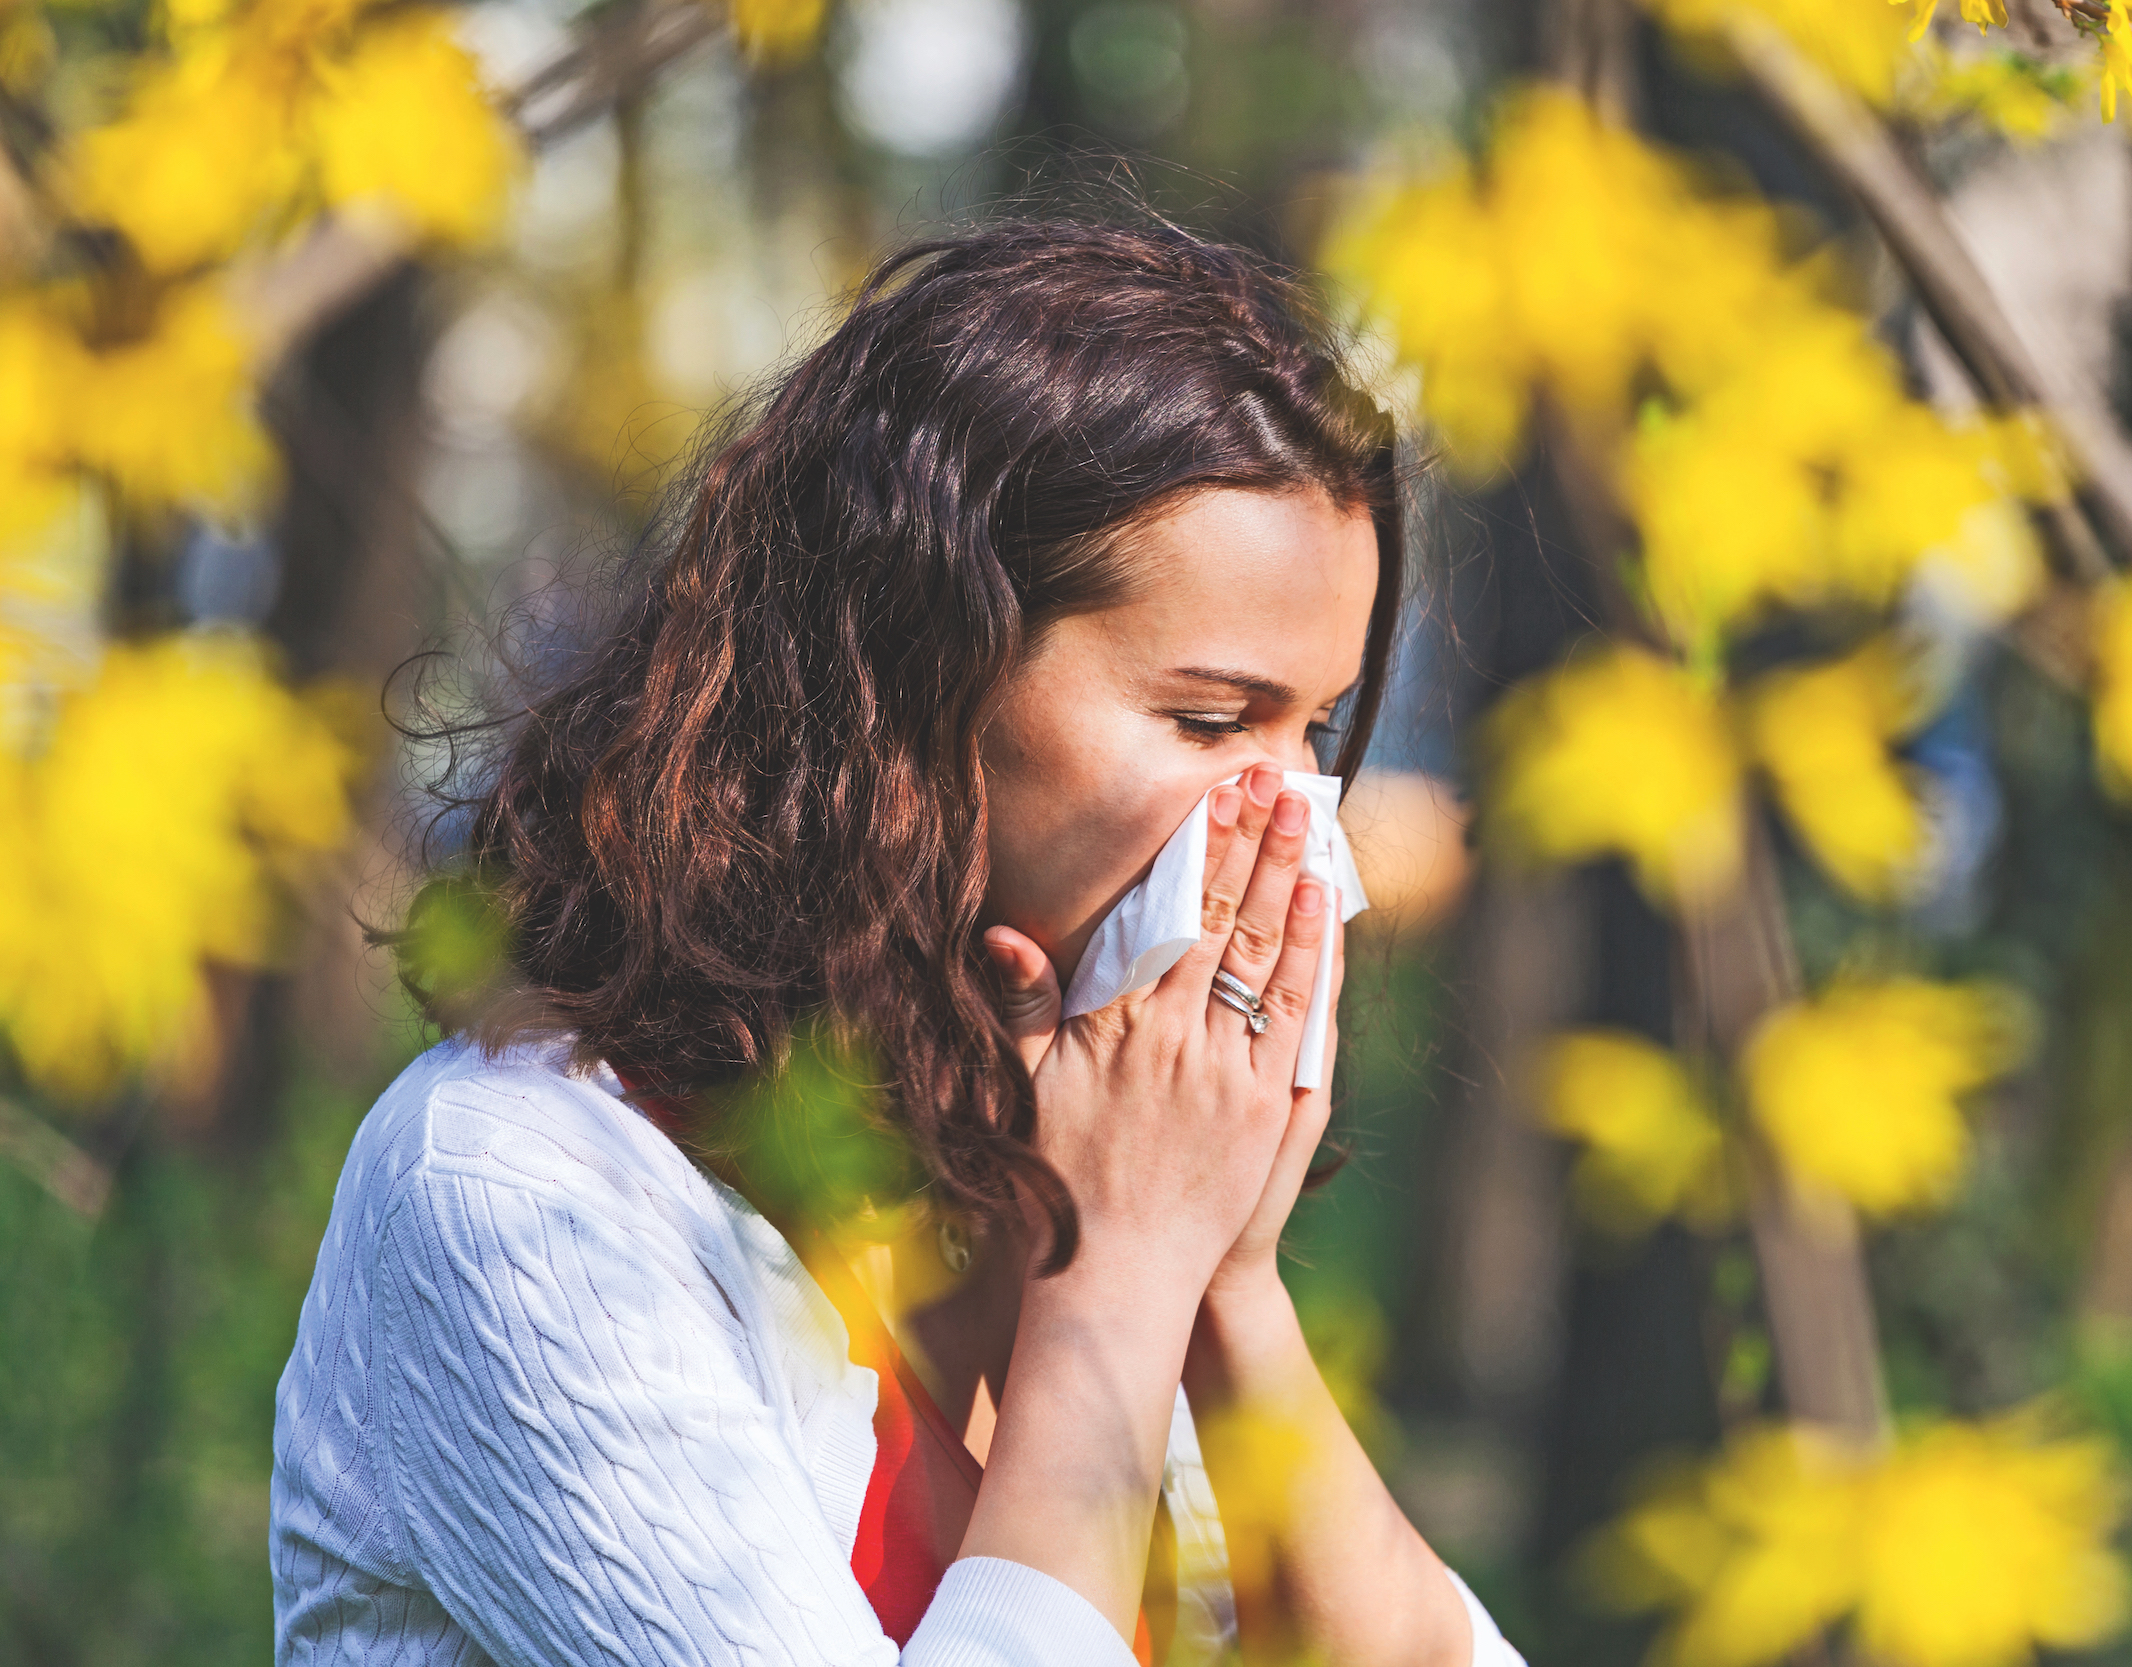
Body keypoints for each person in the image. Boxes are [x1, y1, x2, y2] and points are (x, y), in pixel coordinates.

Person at [270, 216, 1527, 1667]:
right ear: (915, 683)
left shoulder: (1039, 1169)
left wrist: (1223, 1281)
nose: (1289, 817)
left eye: (1316, 730)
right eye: (1208, 720)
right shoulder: (520, 1194)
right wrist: (1116, 1284)